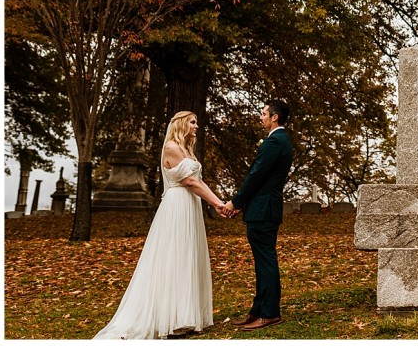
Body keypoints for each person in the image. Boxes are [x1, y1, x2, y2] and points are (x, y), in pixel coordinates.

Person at [95, 111, 227, 340]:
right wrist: (217, 203)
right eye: (193, 122)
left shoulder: (187, 150)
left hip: (191, 207)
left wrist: (218, 202)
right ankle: (172, 318)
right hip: (177, 206)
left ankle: (185, 316)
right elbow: (189, 181)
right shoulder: (172, 148)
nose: (197, 126)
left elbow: (200, 181)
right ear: (181, 124)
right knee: (175, 257)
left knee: (187, 256)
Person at [222, 100, 294, 331]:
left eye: (264, 114)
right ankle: (258, 310)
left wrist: (236, 202)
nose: (261, 117)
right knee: (263, 261)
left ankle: (270, 313)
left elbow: (256, 176)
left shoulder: (275, 142)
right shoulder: (280, 141)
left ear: (274, 117)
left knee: (266, 261)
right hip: (263, 208)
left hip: (264, 210)